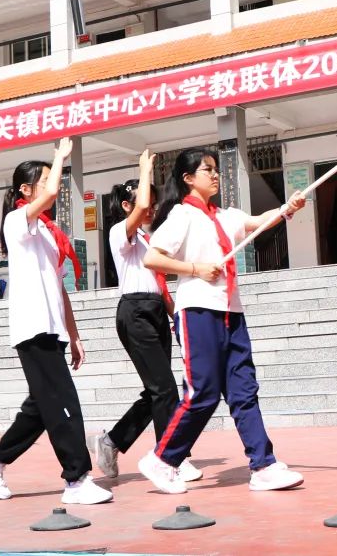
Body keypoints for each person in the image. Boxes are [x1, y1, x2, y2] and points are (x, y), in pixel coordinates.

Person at [137, 147, 306, 493]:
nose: (215, 175)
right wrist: (195, 268)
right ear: (188, 179)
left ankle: (264, 465)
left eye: (216, 169)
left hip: (232, 311)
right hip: (197, 310)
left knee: (244, 390)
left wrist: (288, 208)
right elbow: (153, 258)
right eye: (207, 170)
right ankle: (162, 459)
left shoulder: (225, 216)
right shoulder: (182, 216)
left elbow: (259, 222)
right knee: (203, 392)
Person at [0, 138, 112, 505]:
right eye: (45, 180)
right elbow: (48, 198)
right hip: (32, 327)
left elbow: (59, 287)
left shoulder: (47, 233)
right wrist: (60, 157)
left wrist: (75, 335)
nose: (54, 184)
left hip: (52, 328)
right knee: (64, 406)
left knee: (40, 408)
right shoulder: (17, 221)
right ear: (25, 190)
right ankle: (77, 480)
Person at [92, 149, 202, 484]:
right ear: (127, 206)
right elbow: (141, 207)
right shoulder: (118, 234)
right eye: (144, 202)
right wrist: (144, 169)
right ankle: (170, 457)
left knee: (156, 390)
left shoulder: (149, 238)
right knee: (164, 388)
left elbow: (160, 283)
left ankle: (111, 442)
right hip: (134, 311)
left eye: (153, 203)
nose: (150, 208)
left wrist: (176, 316)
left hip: (155, 310)